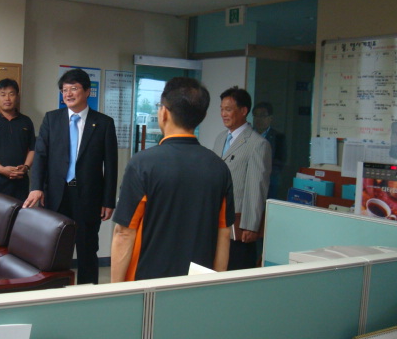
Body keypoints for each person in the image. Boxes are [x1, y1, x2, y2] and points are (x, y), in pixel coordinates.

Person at [111, 77, 234, 282]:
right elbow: (224, 233)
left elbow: (124, 233)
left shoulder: (142, 164)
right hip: (197, 283)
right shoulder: (219, 168)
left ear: (164, 113)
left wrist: (115, 290)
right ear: (202, 116)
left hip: (147, 283)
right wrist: (215, 286)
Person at [23, 68, 118, 285]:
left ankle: (87, 292)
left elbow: (111, 165)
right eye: (64, 90)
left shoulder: (103, 123)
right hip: (56, 195)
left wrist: (108, 200)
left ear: (87, 91)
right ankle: (55, 290)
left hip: (88, 197)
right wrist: (36, 187)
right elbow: (41, 156)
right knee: (54, 248)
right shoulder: (52, 119)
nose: (68, 94)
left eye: (73, 89)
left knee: (87, 249)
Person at [213, 86, 271, 270]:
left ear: (243, 111)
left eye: (228, 109)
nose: (223, 114)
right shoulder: (220, 138)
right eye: (222, 109)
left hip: (239, 225)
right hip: (217, 219)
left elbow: (256, 187)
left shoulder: (257, 144)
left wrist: (251, 225)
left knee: (236, 268)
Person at [252, 102, 285, 199]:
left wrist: (263, 172)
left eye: (262, 115)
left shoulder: (278, 137)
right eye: (256, 115)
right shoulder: (248, 135)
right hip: (250, 179)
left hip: (270, 179)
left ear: (270, 118)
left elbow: (280, 161)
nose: (258, 119)